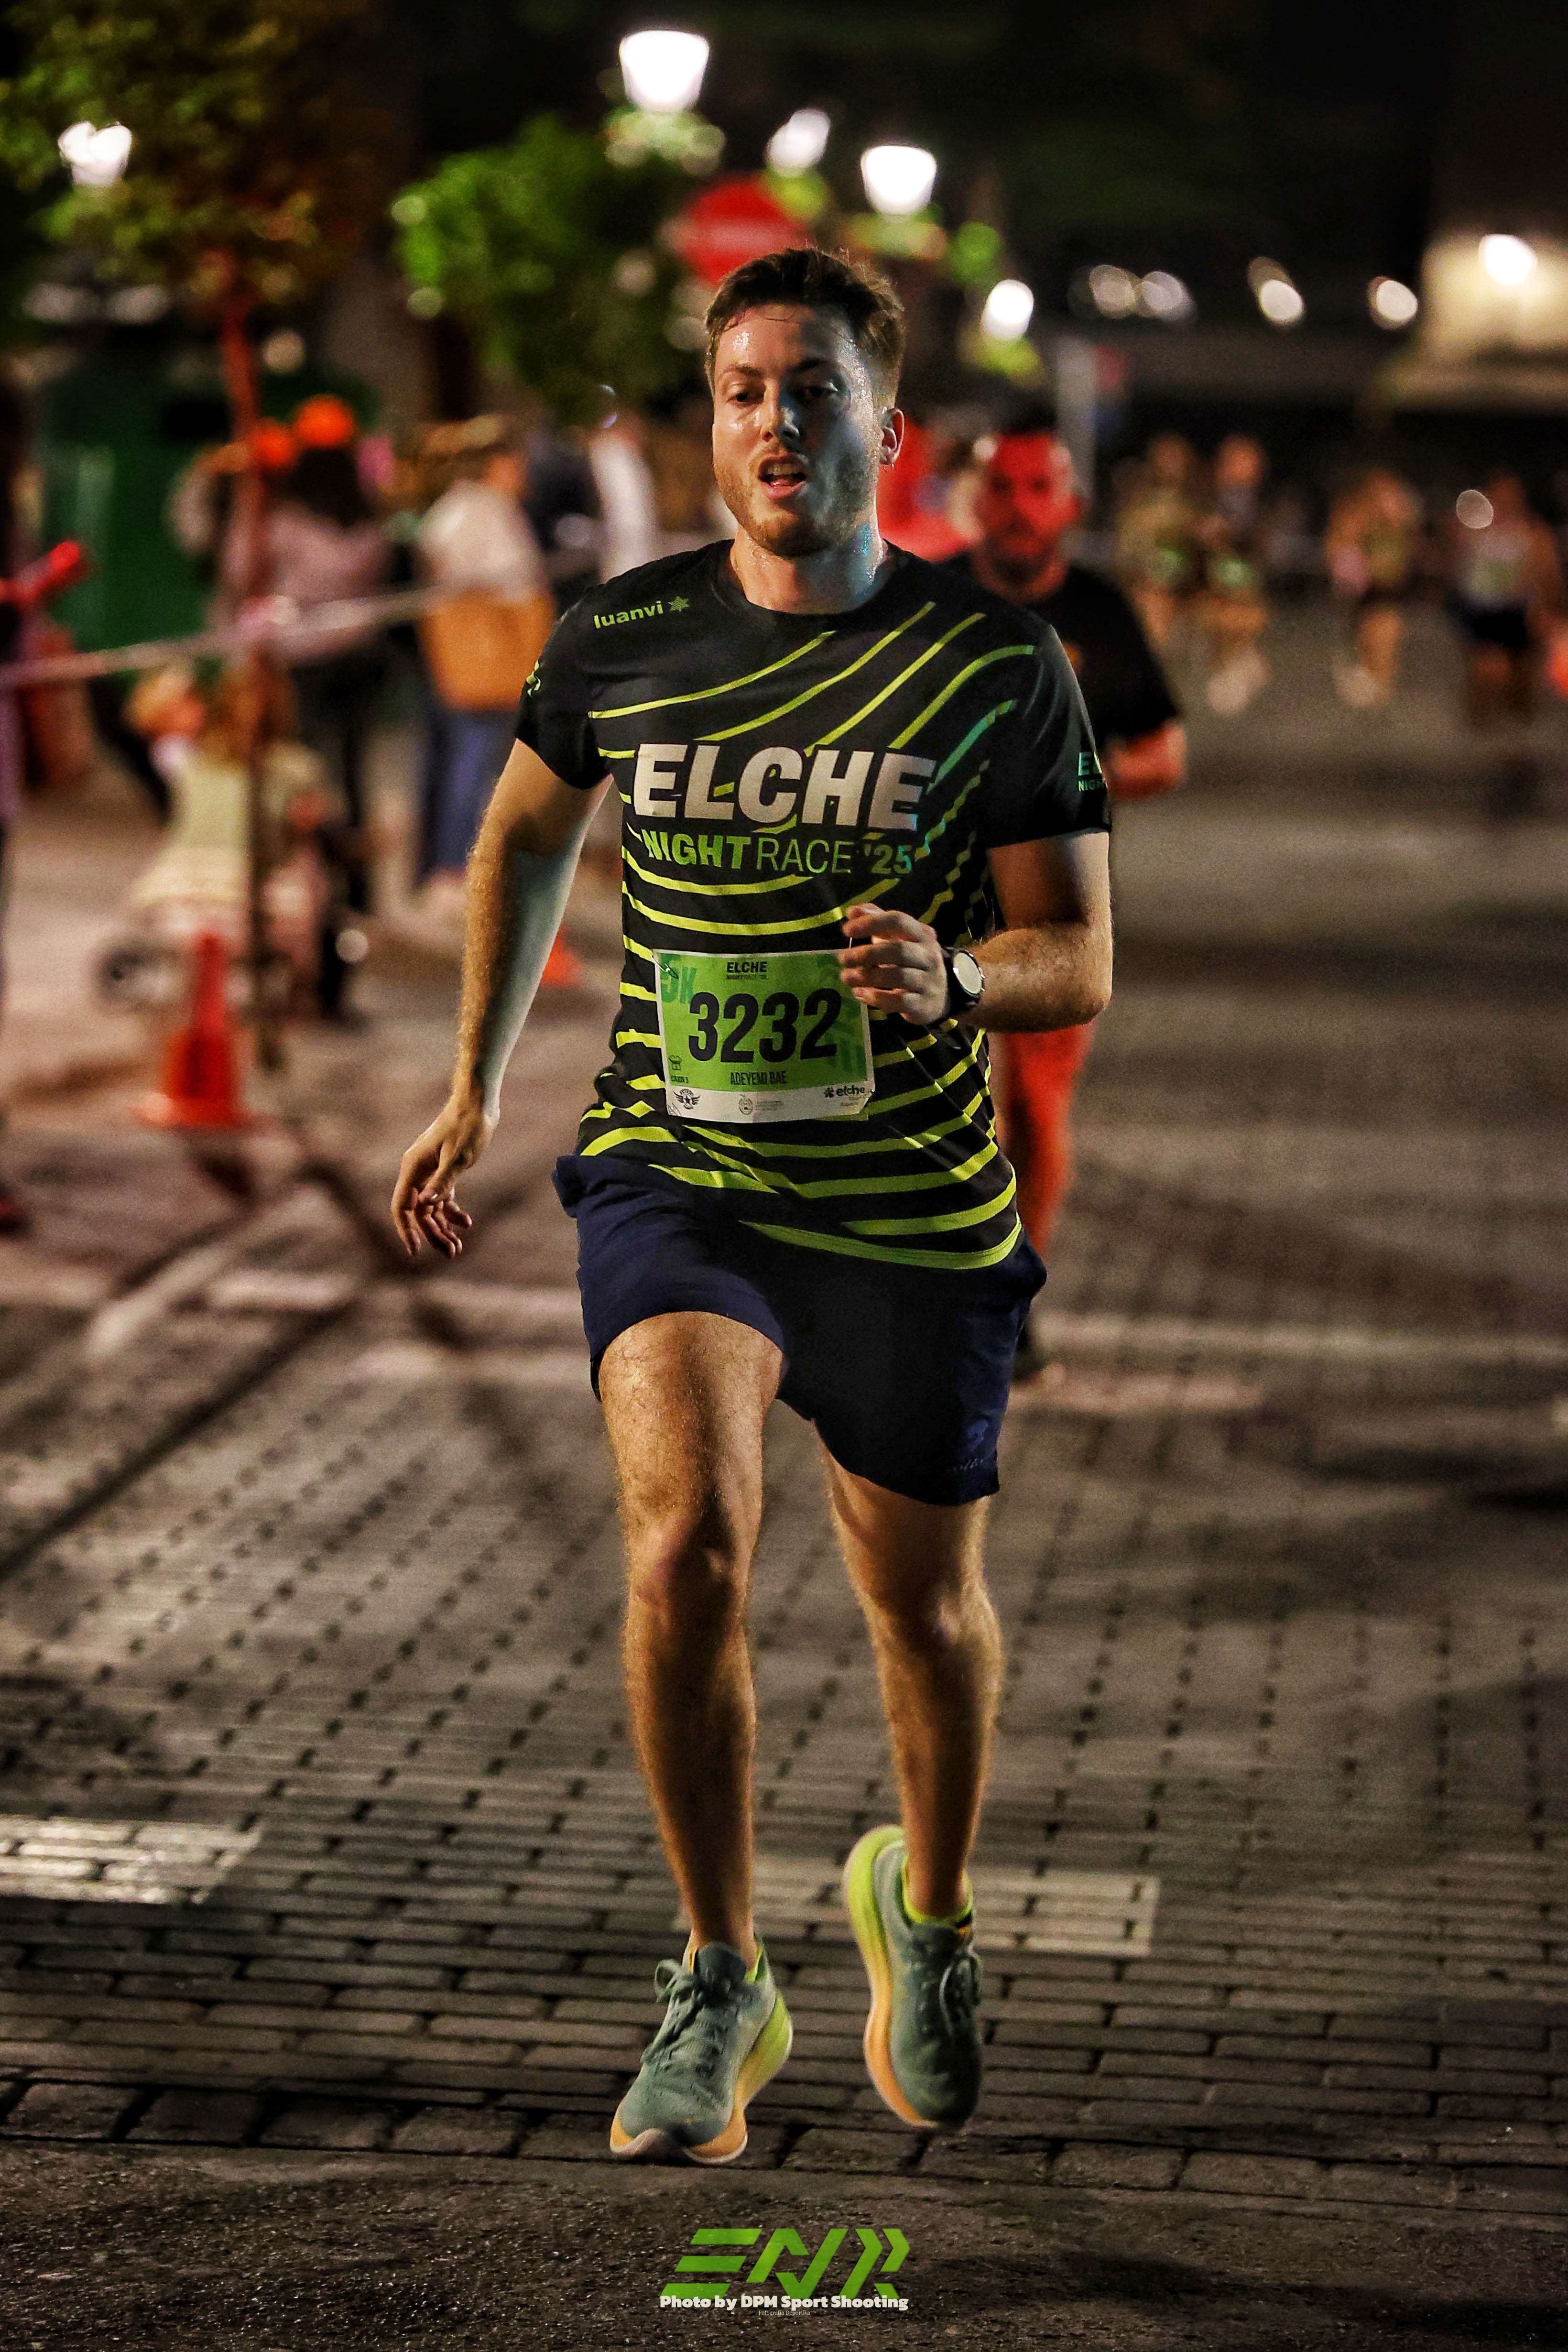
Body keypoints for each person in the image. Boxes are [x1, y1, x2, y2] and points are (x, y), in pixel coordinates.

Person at [391, 246, 1112, 2164]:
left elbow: (1078, 956)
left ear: (890, 426)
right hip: (680, 1170)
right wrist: (473, 1084)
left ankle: (926, 1922)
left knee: (923, 1610)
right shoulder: (622, 635)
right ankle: (719, 1976)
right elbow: (522, 834)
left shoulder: (994, 665)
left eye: (813, 390)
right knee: (683, 1552)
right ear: (707, 424)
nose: (775, 423)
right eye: (739, 391)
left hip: (908, 1204)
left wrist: (957, 978)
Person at [951, 417, 1183, 1372]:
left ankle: (1012, 1297)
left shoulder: (1099, 612)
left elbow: (1164, 754)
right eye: (1001, 488)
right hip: (932, 906)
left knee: (1034, 1117)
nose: (1018, 509)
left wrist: (1068, 785)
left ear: (1070, 506)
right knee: (931, 1112)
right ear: (976, 502)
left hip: (1056, 910)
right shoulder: (922, 600)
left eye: (1036, 489)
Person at [413, 418, 553, 895]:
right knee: (470, 767)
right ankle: (452, 868)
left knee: (455, 762)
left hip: (462, 661)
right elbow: (514, 583)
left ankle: (444, 866)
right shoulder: (483, 513)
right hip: (485, 661)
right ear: (497, 464)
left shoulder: (453, 509)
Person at [1448, 473, 1563, 729]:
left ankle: (1515, 734)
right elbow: (1452, 563)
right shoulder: (1472, 529)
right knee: (1488, 670)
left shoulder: (1533, 532)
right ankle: (1480, 728)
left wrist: (1550, 611)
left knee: (1521, 682)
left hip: (1519, 611)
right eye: (1498, 495)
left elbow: (1549, 573)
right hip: (1481, 610)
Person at [1325, 467, 1423, 708]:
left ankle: (1380, 688)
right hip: (1360, 593)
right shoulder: (1353, 517)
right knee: (1377, 629)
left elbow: (1404, 559)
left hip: (1388, 592)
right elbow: (1338, 555)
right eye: (1379, 493)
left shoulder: (1401, 521)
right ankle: (1370, 677)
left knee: (1386, 629)